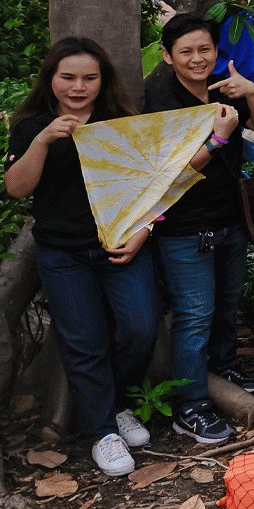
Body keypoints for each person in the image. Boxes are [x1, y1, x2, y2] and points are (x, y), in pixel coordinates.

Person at [5, 40, 163, 475]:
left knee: (141, 328)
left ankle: (115, 404)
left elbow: (152, 183)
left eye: (89, 78)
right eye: (68, 77)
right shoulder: (30, 126)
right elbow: (17, 188)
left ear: (103, 80)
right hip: (62, 254)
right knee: (83, 342)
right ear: (51, 80)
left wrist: (145, 230)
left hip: (120, 245)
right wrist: (41, 141)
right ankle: (102, 431)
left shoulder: (120, 122)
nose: (78, 87)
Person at [142, 16, 254, 444]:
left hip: (231, 216)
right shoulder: (158, 100)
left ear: (217, 51)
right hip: (183, 228)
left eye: (205, 50)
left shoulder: (226, 85)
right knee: (194, 317)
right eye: (186, 51)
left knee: (227, 302)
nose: (198, 59)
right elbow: (166, 174)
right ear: (167, 55)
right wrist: (216, 140)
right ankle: (191, 406)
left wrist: (251, 90)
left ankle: (224, 365)